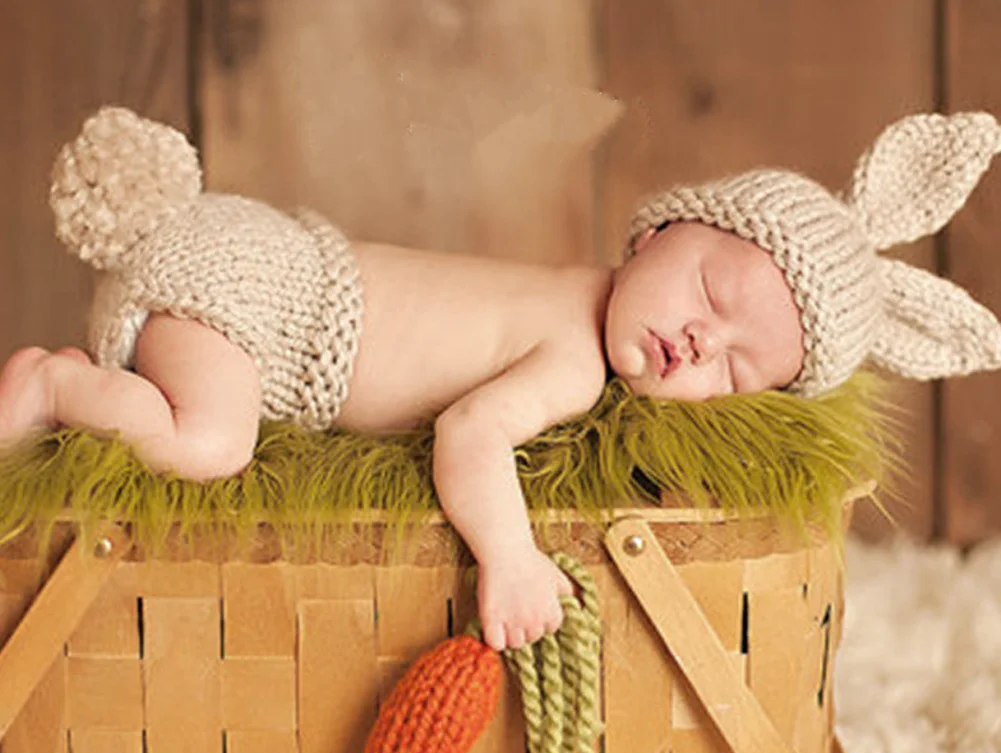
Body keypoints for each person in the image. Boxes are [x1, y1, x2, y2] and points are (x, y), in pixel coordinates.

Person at [1, 108, 999, 650]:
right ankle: (54, 386)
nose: (701, 341)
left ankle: (85, 382)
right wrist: (512, 558)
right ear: (655, 230)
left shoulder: (574, 306)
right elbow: (469, 435)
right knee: (211, 444)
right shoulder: (571, 354)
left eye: (736, 368)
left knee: (206, 429)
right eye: (711, 292)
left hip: (269, 268)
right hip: (266, 303)